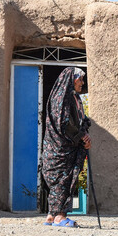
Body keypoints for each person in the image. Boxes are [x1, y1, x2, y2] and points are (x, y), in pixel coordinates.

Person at [42, 67, 92, 227]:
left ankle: (51, 215)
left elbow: (80, 121)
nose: (82, 83)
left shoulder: (74, 98)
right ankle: (60, 217)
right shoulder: (61, 98)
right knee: (62, 179)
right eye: (80, 79)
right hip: (59, 148)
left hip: (71, 147)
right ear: (72, 79)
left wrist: (84, 132)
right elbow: (63, 123)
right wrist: (80, 137)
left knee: (64, 179)